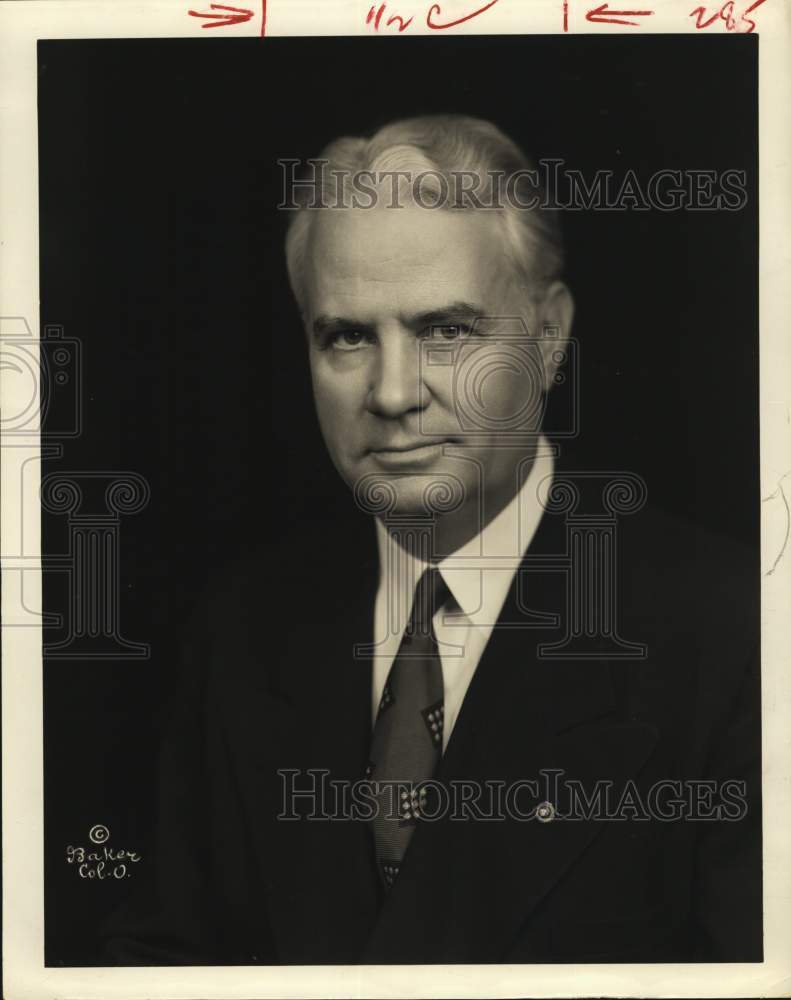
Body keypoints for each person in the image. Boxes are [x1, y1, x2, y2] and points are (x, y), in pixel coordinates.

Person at [104, 115, 761, 965]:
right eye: (345, 336)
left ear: (548, 335)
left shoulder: (732, 631)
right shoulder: (243, 626)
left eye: (445, 331)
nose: (391, 392)